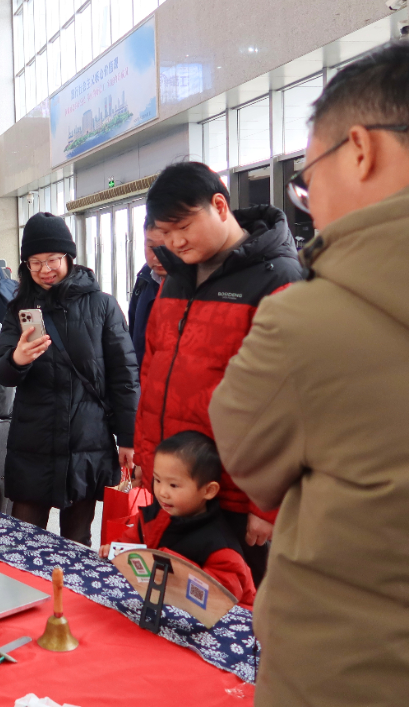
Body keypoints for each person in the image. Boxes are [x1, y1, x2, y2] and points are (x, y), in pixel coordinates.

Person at [209, 43, 409, 707]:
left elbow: (247, 455)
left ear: (361, 151)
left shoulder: (307, 318)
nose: (310, 201)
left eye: (309, 175)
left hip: (349, 670)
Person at [133, 162, 302, 584]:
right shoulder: (174, 278)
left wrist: (268, 506)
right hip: (175, 488)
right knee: (169, 599)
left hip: (235, 497)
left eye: (183, 227)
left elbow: (291, 403)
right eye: (165, 233)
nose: (175, 242)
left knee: (234, 606)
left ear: (220, 205)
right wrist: (147, 461)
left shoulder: (278, 279)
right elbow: (153, 372)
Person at [0, 213, 139, 545]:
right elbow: (2, 374)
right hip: (34, 444)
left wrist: (128, 438)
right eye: (35, 262)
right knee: (24, 541)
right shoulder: (20, 309)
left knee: (77, 542)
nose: (45, 269)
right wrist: (17, 359)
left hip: (87, 443)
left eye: (52, 260)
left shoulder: (102, 306)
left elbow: (125, 376)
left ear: (69, 257)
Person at [100, 431, 256, 606]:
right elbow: (132, 541)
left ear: (208, 490)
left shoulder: (221, 546)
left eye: (173, 485)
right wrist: (116, 550)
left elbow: (219, 599)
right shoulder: (155, 515)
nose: (162, 492)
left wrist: (171, 565)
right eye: (157, 480)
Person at [126, 217, 166, 370]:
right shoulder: (144, 280)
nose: (157, 257)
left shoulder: (193, 286)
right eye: (151, 248)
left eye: (165, 248)